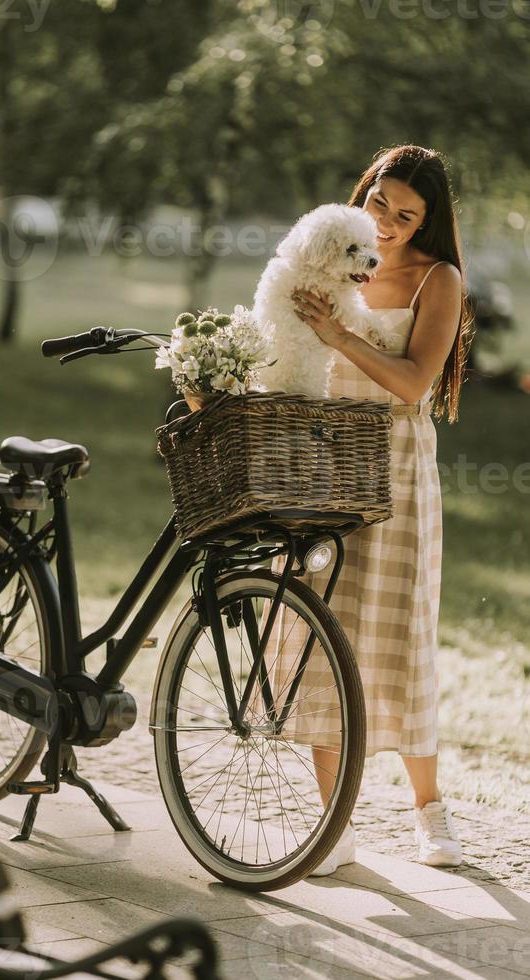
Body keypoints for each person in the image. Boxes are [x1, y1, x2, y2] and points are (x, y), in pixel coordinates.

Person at [280, 144, 475, 875]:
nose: (387, 225)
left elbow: (413, 382)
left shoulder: (438, 278)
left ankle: (430, 810)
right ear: (363, 193)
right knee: (316, 630)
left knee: (397, 636)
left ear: (429, 220)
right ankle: (336, 821)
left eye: (405, 214)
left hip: (393, 469)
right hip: (320, 458)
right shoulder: (331, 255)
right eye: (379, 204)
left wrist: (341, 335)